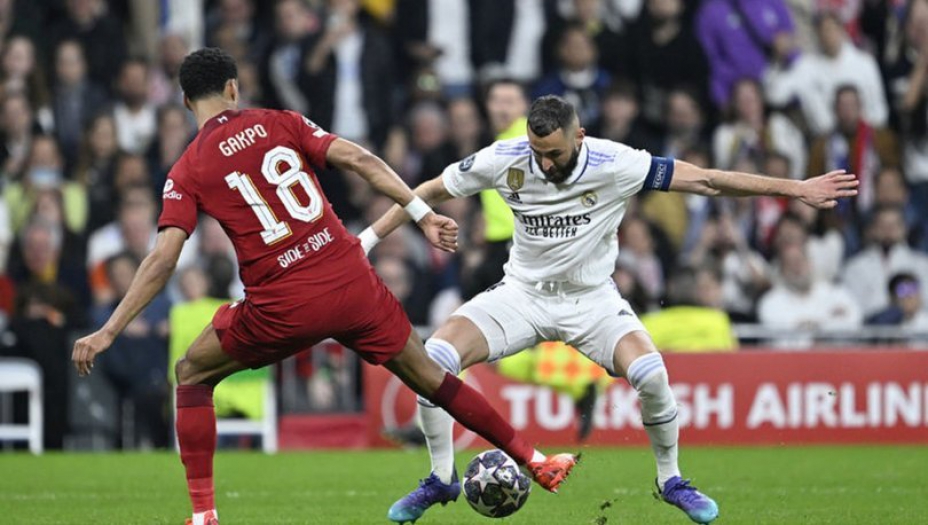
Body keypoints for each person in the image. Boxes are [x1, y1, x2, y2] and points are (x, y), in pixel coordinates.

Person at [70, 48, 576, 525]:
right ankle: (535, 458)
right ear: (233, 88)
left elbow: (163, 258)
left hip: (282, 305)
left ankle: (204, 515)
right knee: (434, 379)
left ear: (185, 101)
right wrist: (421, 214)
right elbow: (361, 161)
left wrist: (109, 330)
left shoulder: (187, 168)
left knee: (192, 373)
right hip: (352, 284)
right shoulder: (279, 121)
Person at [360, 95, 857, 525]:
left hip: (592, 300)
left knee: (652, 374)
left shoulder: (616, 162)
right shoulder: (505, 159)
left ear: (580, 135)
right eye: (538, 154)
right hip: (522, 294)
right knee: (435, 359)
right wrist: (369, 239)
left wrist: (797, 189)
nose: (545, 165)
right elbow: (425, 190)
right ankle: (442, 478)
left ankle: (671, 481)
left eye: (554, 154)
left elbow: (705, 181)